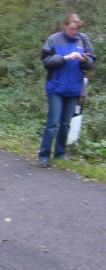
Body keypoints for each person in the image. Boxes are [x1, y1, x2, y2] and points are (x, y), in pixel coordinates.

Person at [38, 13, 96, 167]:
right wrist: (64, 58)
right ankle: (44, 155)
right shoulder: (53, 39)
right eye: (71, 29)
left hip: (74, 88)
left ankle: (60, 153)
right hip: (55, 88)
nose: (74, 32)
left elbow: (91, 63)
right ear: (65, 26)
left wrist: (84, 60)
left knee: (65, 124)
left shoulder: (84, 40)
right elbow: (45, 61)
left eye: (77, 29)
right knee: (53, 122)